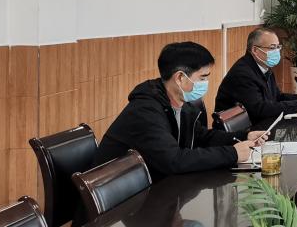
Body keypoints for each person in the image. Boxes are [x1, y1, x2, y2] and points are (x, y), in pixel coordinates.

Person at [94, 42, 262, 179]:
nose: (206, 83)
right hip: (120, 203)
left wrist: (243, 137)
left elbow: (201, 136)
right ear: (180, 78)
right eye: (202, 77)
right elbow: (174, 160)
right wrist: (232, 153)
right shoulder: (146, 111)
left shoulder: (181, 103)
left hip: (158, 185)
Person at [215, 27, 297, 126]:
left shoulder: (263, 67)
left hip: (262, 126)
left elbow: (277, 97)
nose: (277, 51)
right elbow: (259, 109)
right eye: (272, 48)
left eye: (278, 47)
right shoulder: (243, 74)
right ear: (255, 50)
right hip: (244, 133)